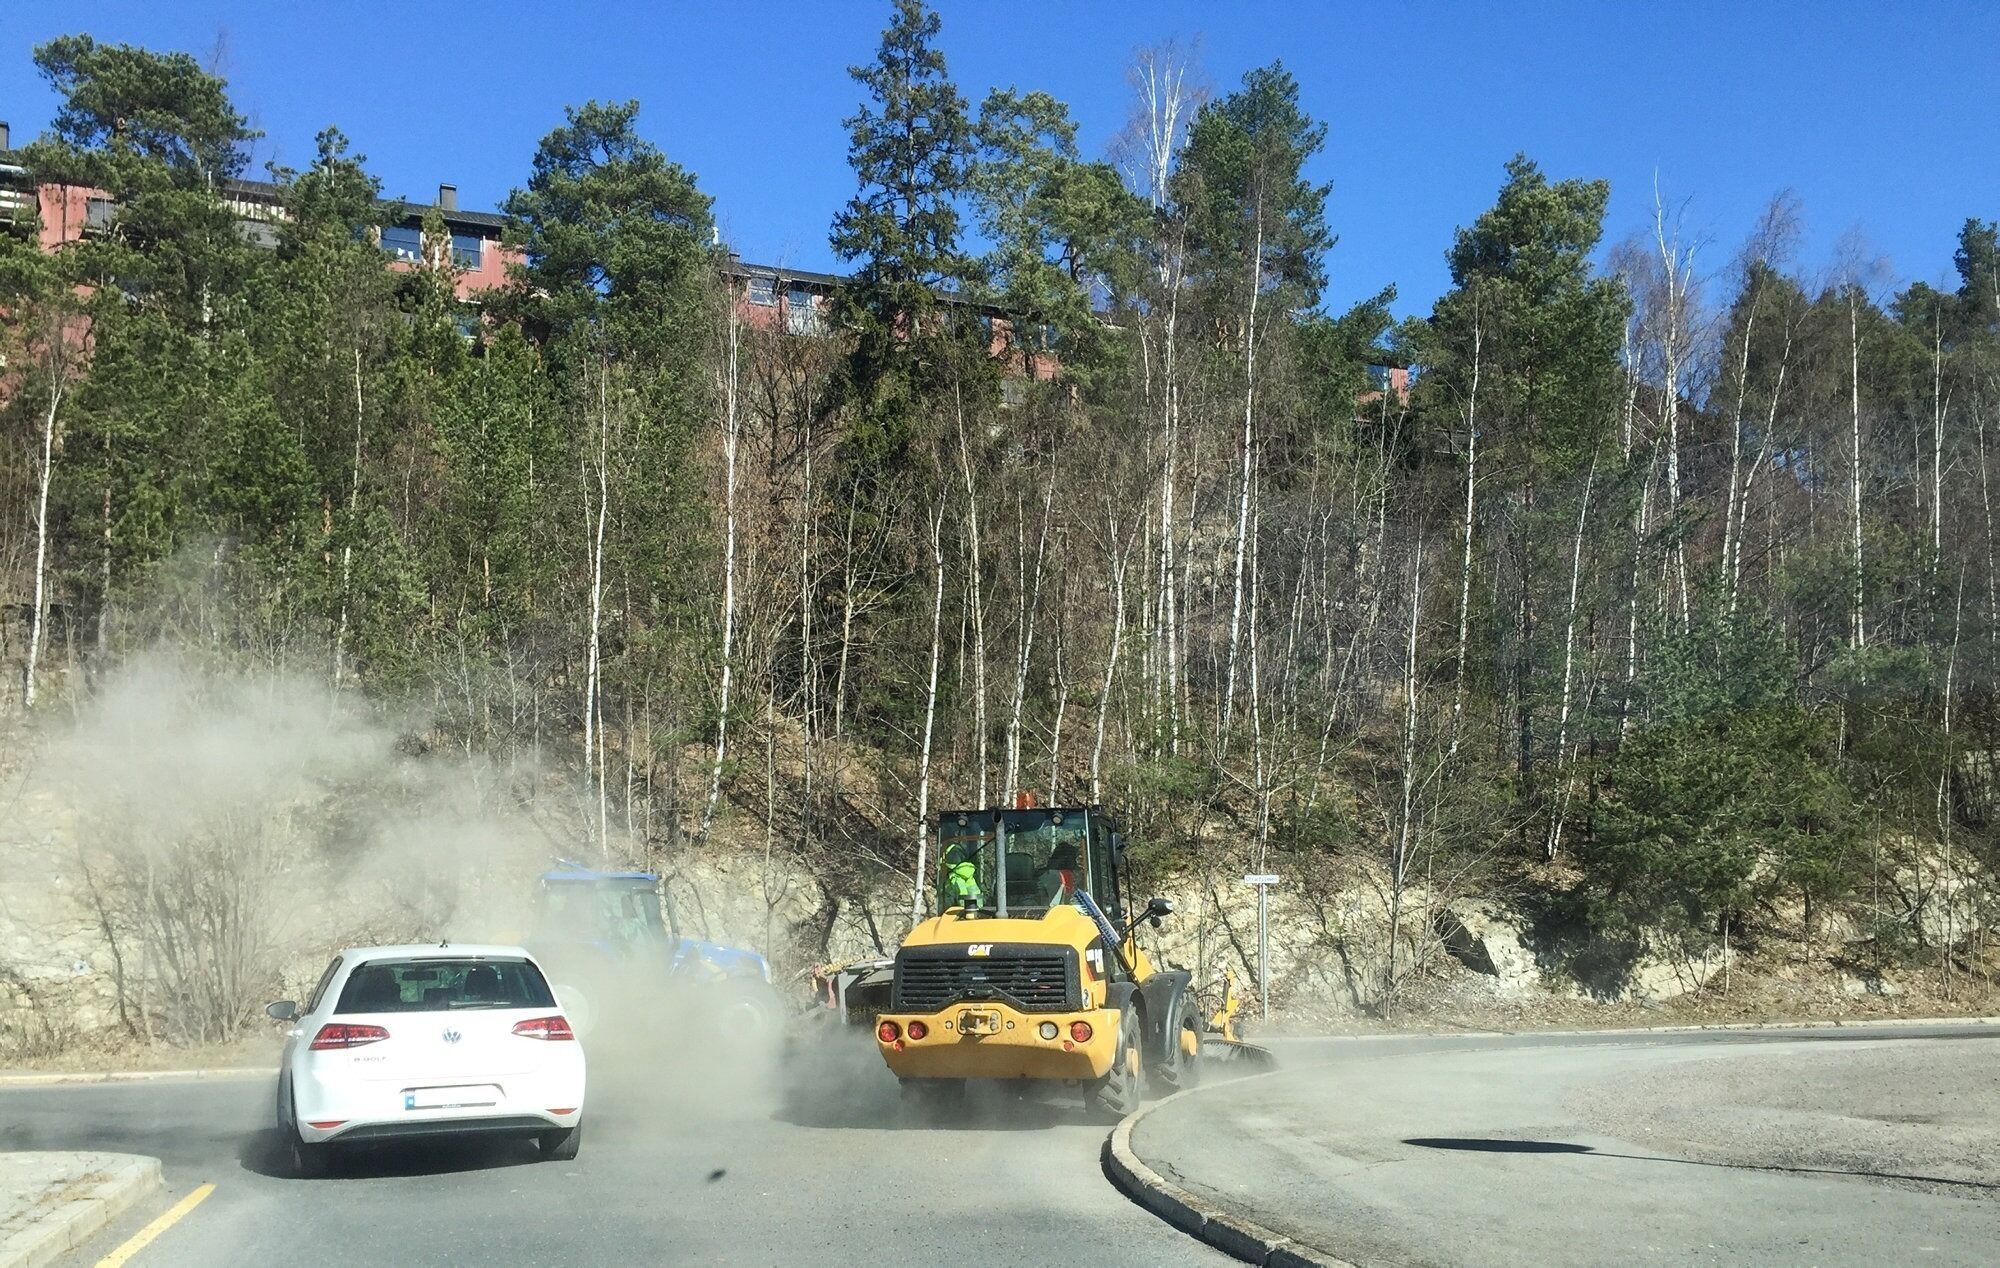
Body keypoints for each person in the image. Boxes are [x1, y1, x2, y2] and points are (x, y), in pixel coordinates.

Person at [941, 839, 984, 908]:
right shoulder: (970, 875)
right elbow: (978, 900)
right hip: (978, 912)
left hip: (961, 914)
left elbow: (957, 899)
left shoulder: (954, 878)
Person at [1040, 842, 1080, 906]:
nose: (1075, 864)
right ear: (1065, 859)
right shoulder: (1053, 876)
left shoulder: (1060, 875)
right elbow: (1055, 905)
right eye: (1073, 859)